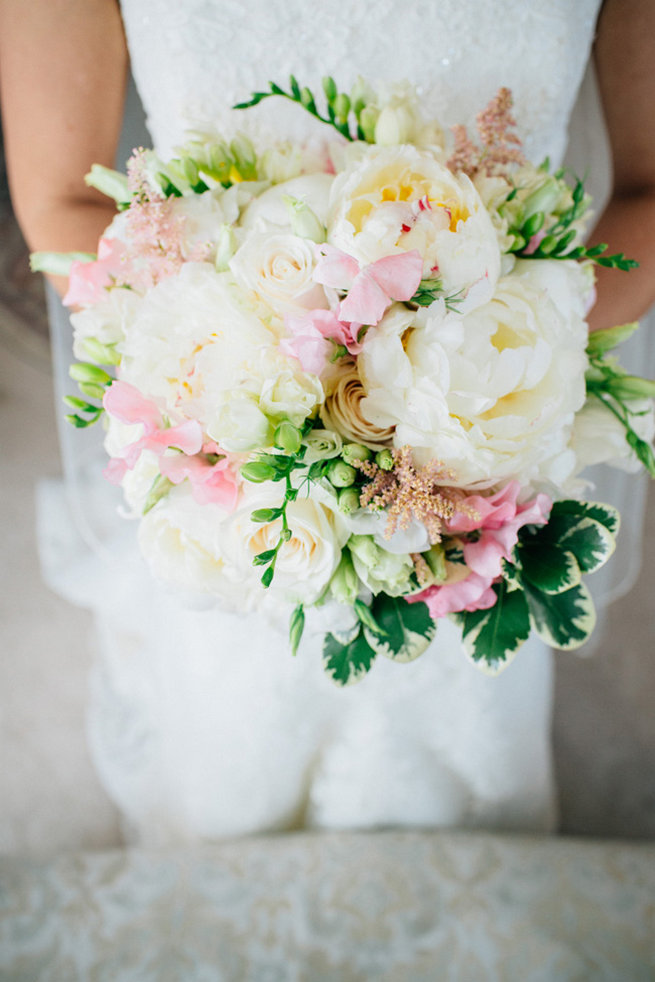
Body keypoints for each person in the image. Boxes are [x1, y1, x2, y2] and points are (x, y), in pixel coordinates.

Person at [1, 0, 654, 844]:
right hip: (239, 456)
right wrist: (256, 408)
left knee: (465, 809)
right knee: (237, 783)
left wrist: (505, 384)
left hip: (480, 461)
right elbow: (60, 202)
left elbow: (647, 191)